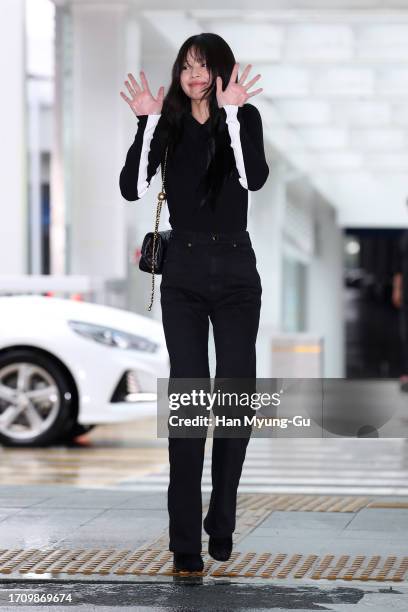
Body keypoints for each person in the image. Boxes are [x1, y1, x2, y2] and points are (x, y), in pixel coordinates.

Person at [119, 33, 269, 573]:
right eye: (186, 65)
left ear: (222, 70)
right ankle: (185, 543)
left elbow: (254, 177)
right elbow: (132, 189)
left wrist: (231, 116)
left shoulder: (244, 119)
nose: (195, 74)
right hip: (181, 271)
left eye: (204, 65)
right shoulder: (169, 123)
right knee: (188, 398)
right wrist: (147, 122)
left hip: (234, 272)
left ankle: (221, 518)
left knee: (235, 397)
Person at [392, 229, 408, 390]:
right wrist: (397, 289)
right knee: (405, 335)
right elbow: (397, 267)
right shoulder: (404, 235)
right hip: (407, 296)